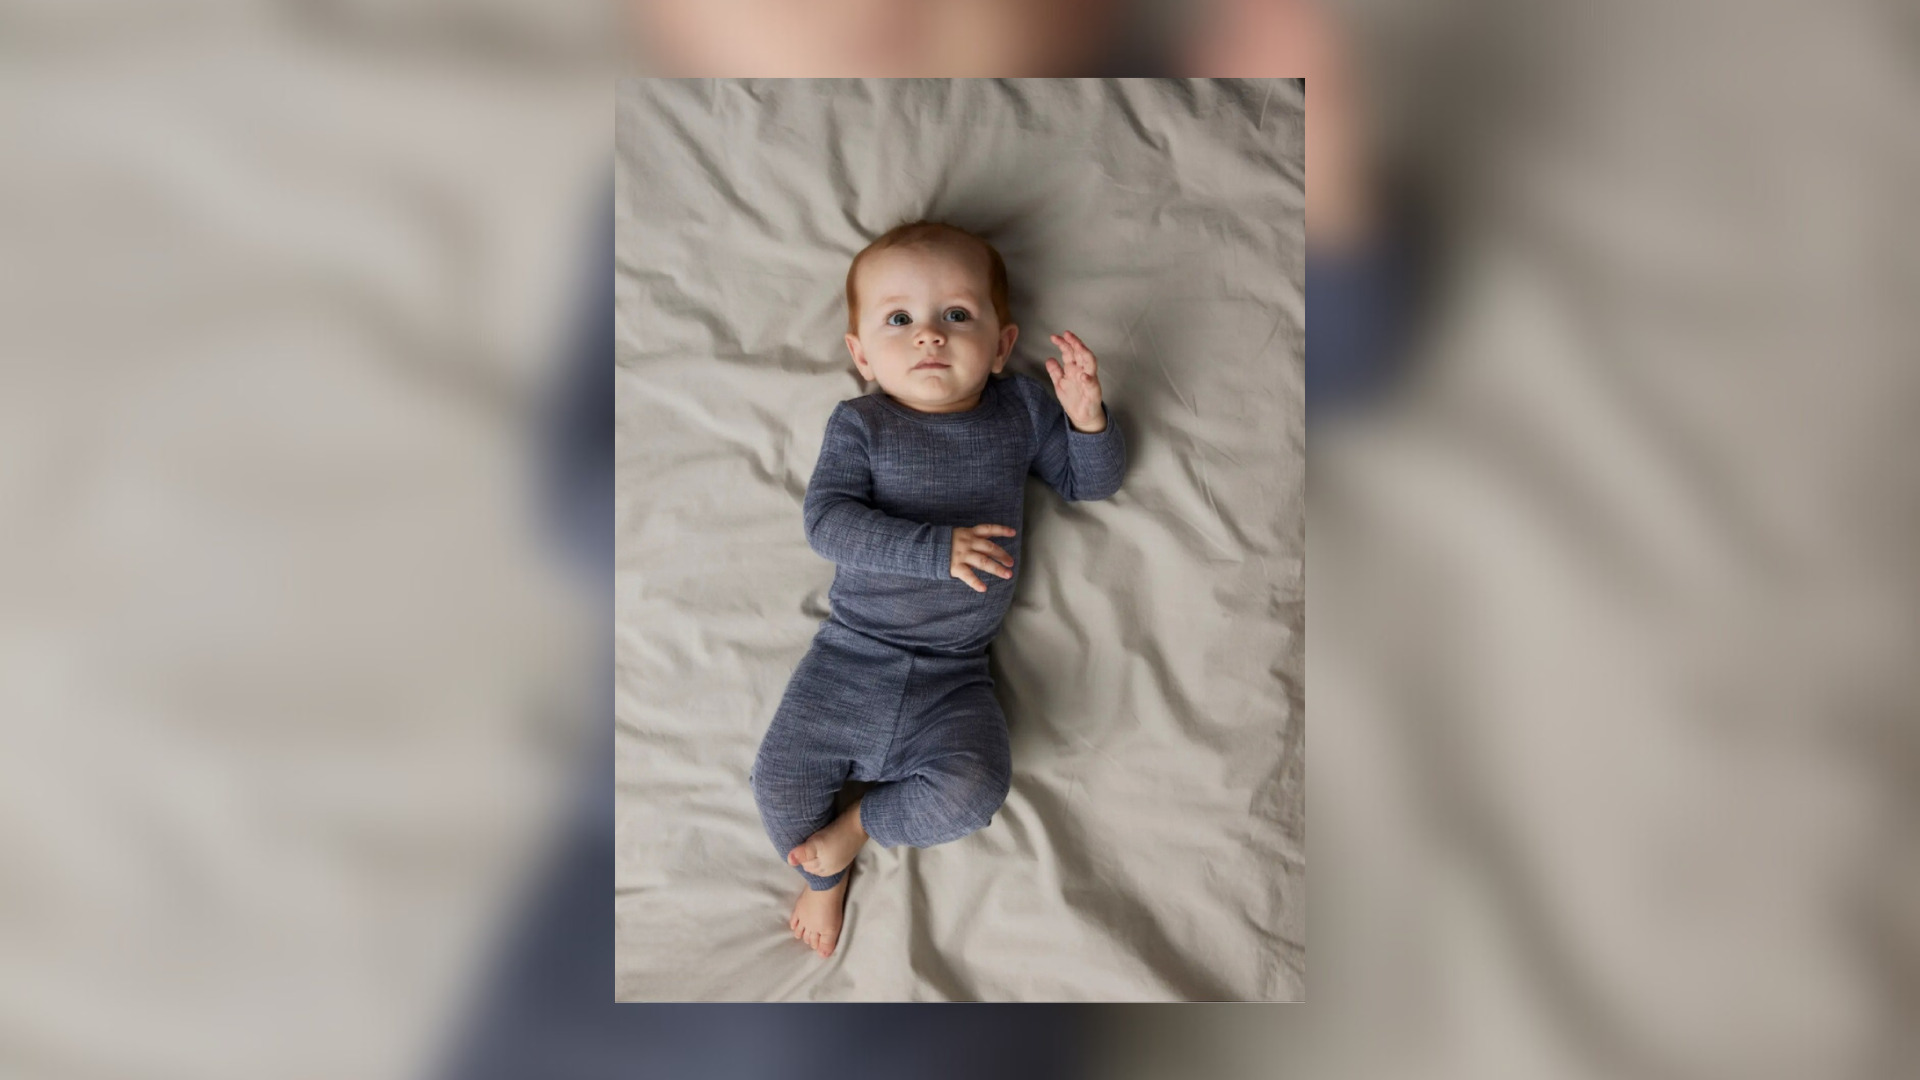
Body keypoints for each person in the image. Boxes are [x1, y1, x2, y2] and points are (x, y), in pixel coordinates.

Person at [751, 221, 1127, 957]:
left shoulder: (1019, 411)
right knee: (778, 786)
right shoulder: (862, 424)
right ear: (861, 355)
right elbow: (827, 523)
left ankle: (857, 830)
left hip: (956, 674)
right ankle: (824, 881)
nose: (929, 334)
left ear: (1001, 345)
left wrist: (1088, 421)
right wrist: (935, 548)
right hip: (849, 657)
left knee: (976, 790)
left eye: (956, 314)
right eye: (899, 319)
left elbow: (1090, 483)